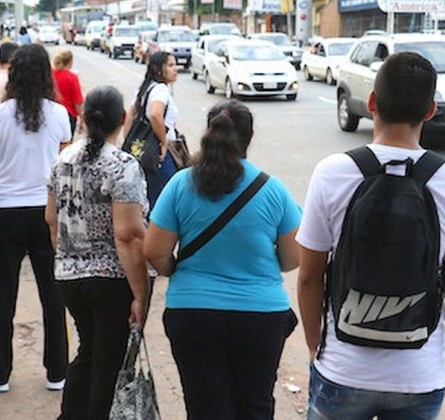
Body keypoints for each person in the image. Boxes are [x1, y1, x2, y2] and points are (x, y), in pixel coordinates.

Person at [295, 52, 445, 419]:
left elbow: (309, 276)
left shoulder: (333, 172)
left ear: (372, 103)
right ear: (431, 110)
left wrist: (316, 344)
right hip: (419, 375)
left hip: (343, 370)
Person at [143, 100, 302, 419]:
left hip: (193, 313)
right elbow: (292, 258)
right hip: (260, 316)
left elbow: (155, 252)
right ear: (250, 137)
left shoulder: (180, 184)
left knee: (205, 408)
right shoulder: (273, 190)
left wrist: (177, 270)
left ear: (209, 133)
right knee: (256, 405)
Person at [46, 85, 151, 420]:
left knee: (89, 350)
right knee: (109, 360)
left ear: (83, 118)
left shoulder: (63, 159)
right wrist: (140, 293)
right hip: (110, 280)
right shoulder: (122, 166)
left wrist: (66, 259)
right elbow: (129, 235)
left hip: (68, 276)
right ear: (122, 119)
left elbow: (51, 220)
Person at [0, 44, 71, 393]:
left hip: (3, 211)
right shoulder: (60, 114)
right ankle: (56, 374)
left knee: (2, 294)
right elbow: (63, 164)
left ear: (14, 75)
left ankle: (0, 376)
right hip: (48, 213)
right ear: (46, 75)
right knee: (53, 294)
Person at [123, 51, 179, 208]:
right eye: (170, 65)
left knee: (146, 196)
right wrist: (163, 142)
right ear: (158, 69)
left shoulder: (145, 89)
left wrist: (128, 143)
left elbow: (129, 116)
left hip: (142, 151)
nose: (176, 69)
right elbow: (155, 114)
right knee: (165, 197)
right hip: (159, 154)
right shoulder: (161, 89)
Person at [52, 49, 84, 137]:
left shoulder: (51, 74)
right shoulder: (72, 78)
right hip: (68, 116)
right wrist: (82, 119)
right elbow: (78, 102)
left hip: (51, 113)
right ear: (70, 62)